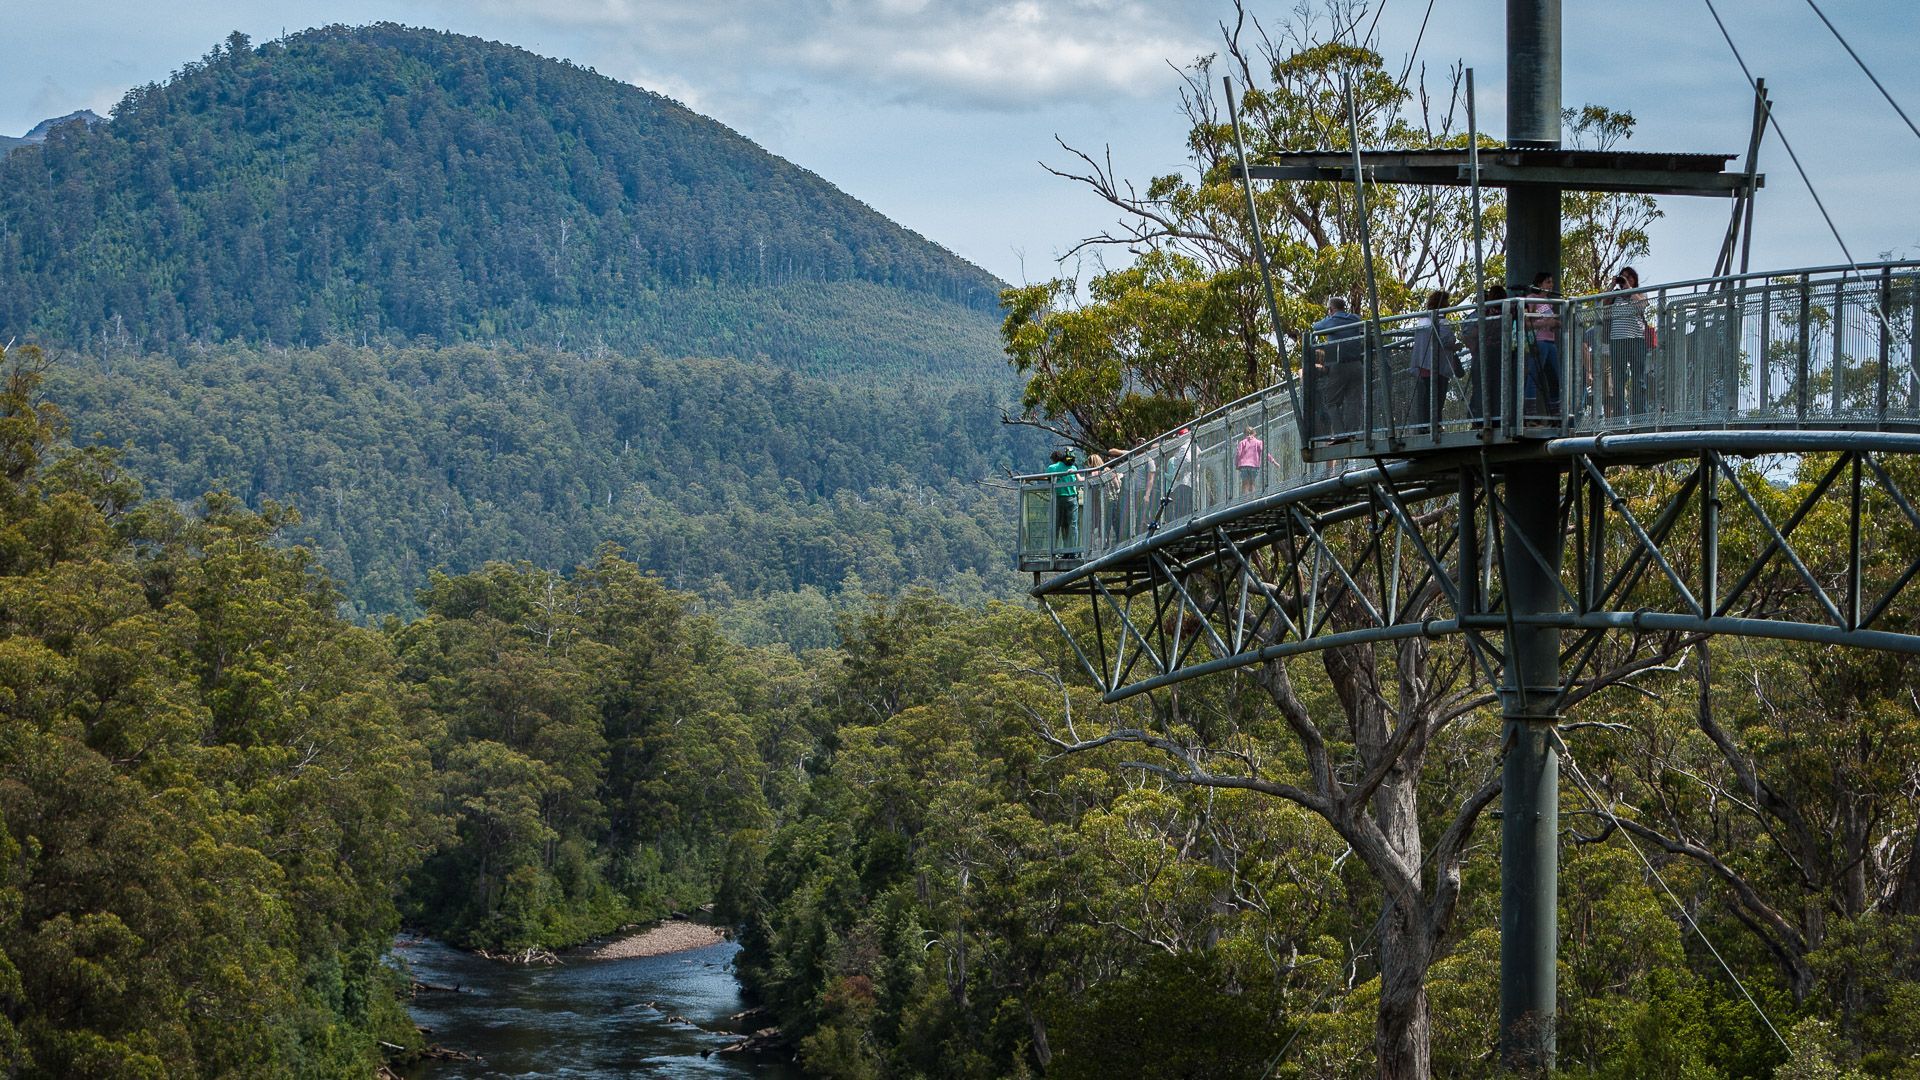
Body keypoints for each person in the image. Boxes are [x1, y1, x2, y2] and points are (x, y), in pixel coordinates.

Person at [1310, 297, 1367, 439]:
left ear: (1331, 309)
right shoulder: (1355, 318)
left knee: (1331, 402)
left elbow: (1316, 326)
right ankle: (1352, 433)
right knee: (1354, 401)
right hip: (1357, 365)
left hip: (1339, 365)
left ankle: (1341, 435)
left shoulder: (1332, 320)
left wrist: (1328, 316)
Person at [1409, 290, 1461, 433]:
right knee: (1438, 397)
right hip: (1437, 365)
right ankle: (1435, 425)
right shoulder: (1440, 320)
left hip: (1423, 364)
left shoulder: (1423, 320)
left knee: (1427, 398)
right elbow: (1446, 340)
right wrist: (1455, 343)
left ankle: (1425, 425)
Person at [1604, 266, 1650, 417]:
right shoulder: (1615, 295)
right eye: (1623, 277)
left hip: (1636, 339)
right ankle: (1619, 418)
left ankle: (1639, 416)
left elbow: (1642, 306)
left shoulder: (1639, 293)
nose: (1626, 280)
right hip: (1617, 340)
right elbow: (1603, 303)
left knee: (1638, 380)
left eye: (1629, 277)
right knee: (1618, 380)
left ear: (1634, 279)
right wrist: (1612, 284)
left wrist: (1629, 289)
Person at [1467, 284, 1511, 427]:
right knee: (1498, 386)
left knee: (1483, 386)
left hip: (1486, 352)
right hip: (1501, 352)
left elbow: (1474, 332)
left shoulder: (1486, 311)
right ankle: (1496, 418)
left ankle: (1481, 420)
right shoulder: (1508, 309)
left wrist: (1475, 344)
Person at [1524, 272, 1563, 421]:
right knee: (1534, 376)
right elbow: (1527, 323)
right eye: (1548, 282)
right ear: (1539, 284)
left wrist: (1555, 324)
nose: (1551, 285)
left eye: (1551, 282)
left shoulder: (1548, 302)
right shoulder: (1531, 299)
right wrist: (1546, 323)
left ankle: (1555, 414)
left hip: (1550, 342)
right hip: (1538, 341)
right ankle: (1530, 414)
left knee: (1554, 378)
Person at [1044, 448, 1080, 552]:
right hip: (1072, 497)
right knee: (1072, 525)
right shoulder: (1073, 467)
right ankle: (1073, 551)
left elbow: (1048, 480)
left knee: (1057, 525)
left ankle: (1054, 550)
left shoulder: (1052, 468)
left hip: (1058, 498)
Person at [1235, 425, 1266, 495]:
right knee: (1252, 482)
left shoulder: (1242, 442)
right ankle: (1252, 498)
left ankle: (1244, 499)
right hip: (1254, 466)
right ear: (1254, 433)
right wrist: (1273, 461)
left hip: (1243, 466)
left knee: (1244, 483)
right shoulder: (1259, 442)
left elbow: (1238, 454)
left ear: (1244, 434)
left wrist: (1237, 464)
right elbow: (1264, 452)